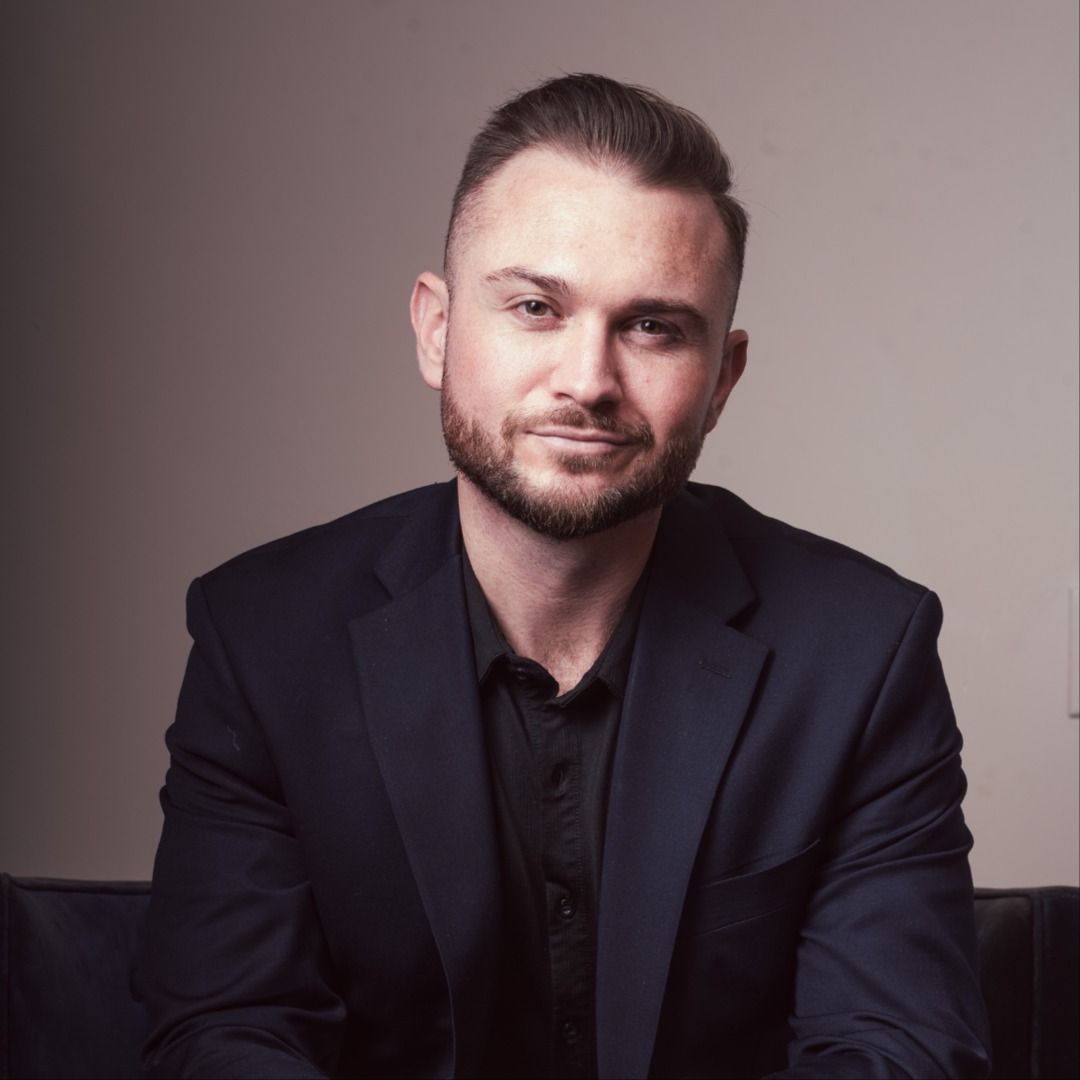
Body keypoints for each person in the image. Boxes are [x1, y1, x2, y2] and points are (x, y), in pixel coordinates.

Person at [141, 74, 990, 1079]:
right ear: (436, 330)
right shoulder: (262, 637)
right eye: (536, 306)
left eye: (653, 327)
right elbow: (226, 1035)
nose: (588, 381)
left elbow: (897, 1052)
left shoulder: (862, 655)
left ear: (722, 380)